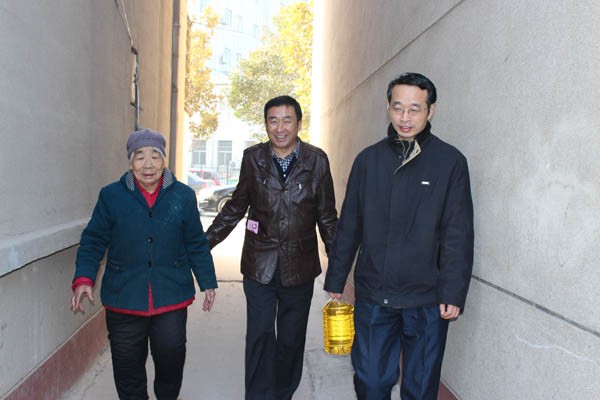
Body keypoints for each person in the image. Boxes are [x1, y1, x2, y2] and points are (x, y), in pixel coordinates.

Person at [324, 73, 474, 400]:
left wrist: (453, 291)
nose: (405, 117)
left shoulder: (450, 163)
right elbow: (350, 224)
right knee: (370, 381)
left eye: (415, 109)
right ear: (388, 107)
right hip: (375, 295)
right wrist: (336, 278)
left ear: (431, 110)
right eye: (398, 107)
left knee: (420, 388)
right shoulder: (368, 161)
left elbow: (458, 232)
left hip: (427, 300)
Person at [205, 95, 338, 400]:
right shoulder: (253, 158)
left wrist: (338, 268)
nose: (280, 128)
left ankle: (282, 394)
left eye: (287, 120)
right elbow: (235, 207)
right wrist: (203, 244)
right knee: (260, 336)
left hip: (300, 267)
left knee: (291, 340)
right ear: (265, 124)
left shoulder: (317, 161)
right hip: (259, 265)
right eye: (273, 121)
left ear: (299, 123)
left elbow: (327, 217)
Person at [70, 128, 217, 400]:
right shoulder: (111, 196)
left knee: (171, 359)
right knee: (127, 369)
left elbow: (195, 242)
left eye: (155, 156)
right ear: (130, 162)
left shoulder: (183, 196)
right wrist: (84, 278)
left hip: (171, 296)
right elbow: (93, 240)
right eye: (140, 157)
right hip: (123, 297)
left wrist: (207, 281)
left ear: (164, 161)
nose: (148, 164)